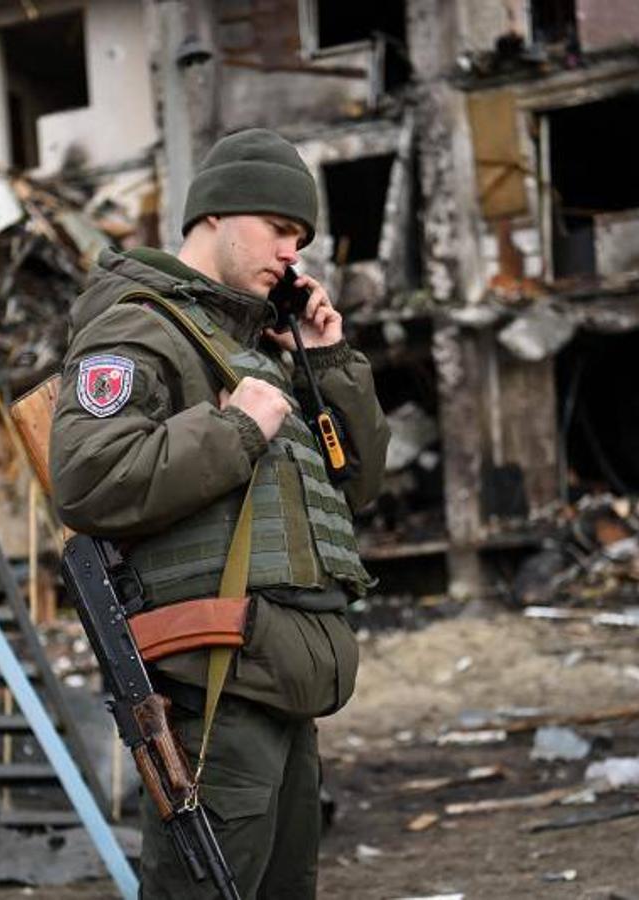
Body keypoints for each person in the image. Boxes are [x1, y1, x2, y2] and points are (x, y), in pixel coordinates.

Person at [49, 128, 389, 897]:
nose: (290, 256)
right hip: (216, 692)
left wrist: (325, 358)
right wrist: (237, 427)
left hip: (281, 683)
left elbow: (358, 486)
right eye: (279, 230)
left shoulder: (260, 351)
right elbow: (87, 478)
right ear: (217, 217)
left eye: (299, 239)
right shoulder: (136, 327)